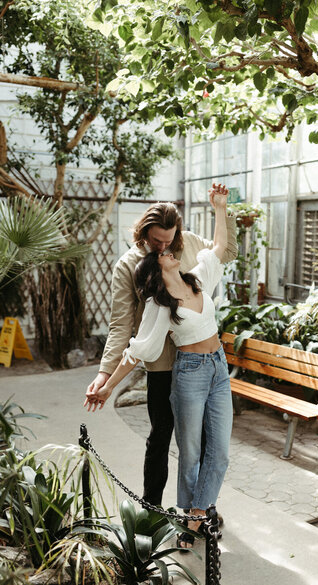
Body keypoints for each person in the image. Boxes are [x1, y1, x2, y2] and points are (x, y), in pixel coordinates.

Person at [86, 184, 234, 548]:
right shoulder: (134, 269)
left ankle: (199, 511)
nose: (165, 247)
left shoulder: (193, 255)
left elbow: (223, 251)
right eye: (157, 242)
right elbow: (124, 328)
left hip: (211, 365)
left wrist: (220, 209)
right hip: (166, 367)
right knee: (162, 438)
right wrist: (106, 379)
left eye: (169, 241)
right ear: (144, 234)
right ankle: (153, 512)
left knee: (206, 445)